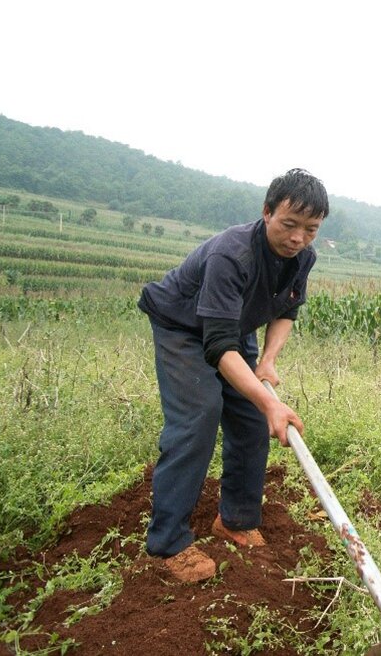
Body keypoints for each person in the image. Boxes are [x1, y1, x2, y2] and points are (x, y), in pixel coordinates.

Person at [137, 168, 328, 581]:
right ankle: (168, 542)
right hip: (183, 328)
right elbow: (218, 346)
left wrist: (268, 363)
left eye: (310, 230)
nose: (298, 238)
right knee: (200, 414)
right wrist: (271, 404)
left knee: (250, 418)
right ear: (266, 212)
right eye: (290, 225)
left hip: (231, 328)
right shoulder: (232, 253)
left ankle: (235, 520)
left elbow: (286, 311)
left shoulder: (302, 257)